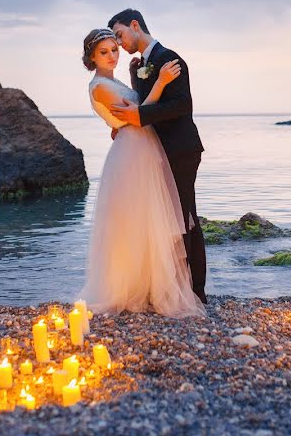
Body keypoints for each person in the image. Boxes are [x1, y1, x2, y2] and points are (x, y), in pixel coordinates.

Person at [78, 28, 204, 317]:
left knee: (147, 219)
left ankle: (149, 286)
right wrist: (160, 82)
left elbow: (130, 116)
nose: (112, 55)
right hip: (131, 153)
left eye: (114, 49)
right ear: (92, 57)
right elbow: (137, 116)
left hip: (141, 148)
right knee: (135, 220)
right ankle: (128, 288)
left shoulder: (114, 81)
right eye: (104, 52)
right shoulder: (99, 86)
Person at [107, 9, 207, 304]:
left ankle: (197, 291)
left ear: (135, 26)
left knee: (186, 217)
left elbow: (181, 105)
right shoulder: (139, 65)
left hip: (181, 149)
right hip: (156, 153)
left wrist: (138, 117)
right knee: (167, 219)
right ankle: (173, 285)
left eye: (120, 35)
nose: (119, 43)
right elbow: (143, 104)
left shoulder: (169, 59)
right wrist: (127, 125)